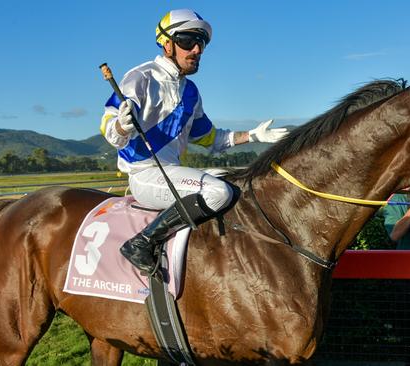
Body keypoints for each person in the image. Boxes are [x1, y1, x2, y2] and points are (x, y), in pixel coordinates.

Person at [100, 9, 288, 274]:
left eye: (201, 43)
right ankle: (141, 243)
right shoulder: (141, 77)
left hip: (172, 171)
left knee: (233, 182)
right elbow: (109, 128)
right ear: (167, 44)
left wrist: (253, 136)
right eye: (188, 41)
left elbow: (211, 138)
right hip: (145, 174)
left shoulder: (191, 92)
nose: (197, 49)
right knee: (217, 192)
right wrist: (121, 124)